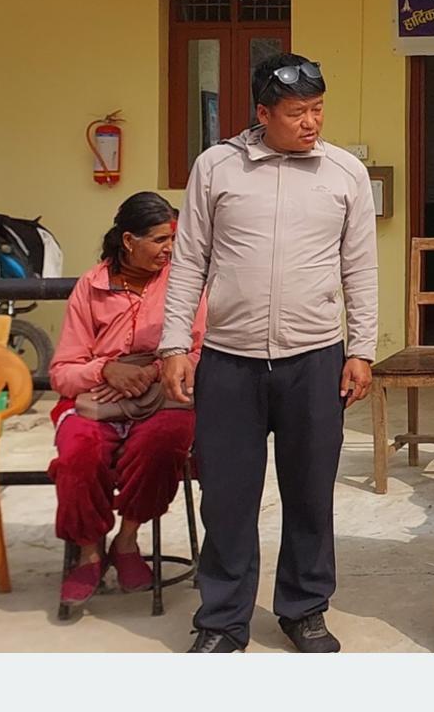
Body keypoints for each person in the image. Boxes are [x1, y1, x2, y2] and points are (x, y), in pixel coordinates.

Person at [158, 53, 378, 655]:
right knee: (228, 496)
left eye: (317, 109)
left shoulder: (344, 173)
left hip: (315, 359)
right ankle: (222, 619)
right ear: (263, 113)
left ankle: (305, 610)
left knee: (310, 492)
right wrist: (175, 343)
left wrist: (362, 348)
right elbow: (189, 262)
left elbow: (360, 266)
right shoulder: (216, 167)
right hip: (230, 360)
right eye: (297, 112)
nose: (311, 123)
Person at [48, 192, 206, 612]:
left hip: (163, 391)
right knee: (79, 453)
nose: (169, 249)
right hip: (97, 395)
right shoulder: (91, 286)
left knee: (165, 442)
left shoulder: (184, 282)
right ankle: (89, 553)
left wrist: (156, 370)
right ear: (128, 240)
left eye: (173, 240)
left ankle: (128, 540)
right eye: (159, 240)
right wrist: (105, 370)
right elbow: (63, 370)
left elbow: (200, 349)